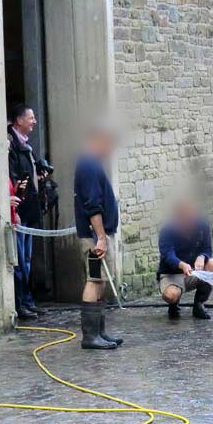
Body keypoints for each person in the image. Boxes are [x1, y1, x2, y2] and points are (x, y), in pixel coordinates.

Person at [73, 120, 124, 350]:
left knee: (100, 280)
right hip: (95, 238)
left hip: (100, 236)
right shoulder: (89, 165)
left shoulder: (91, 164)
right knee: (94, 280)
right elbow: (92, 206)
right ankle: (90, 336)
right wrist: (101, 237)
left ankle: (100, 332)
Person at [157, 195, 213, 320]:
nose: (190, 220)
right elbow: (168, 255)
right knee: (171, 295)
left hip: (194, 273)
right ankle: (173, 304)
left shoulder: (202, 225)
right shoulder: (167, 230)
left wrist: (202, 257)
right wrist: (181, 264)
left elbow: (207, 249)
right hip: (172, 274)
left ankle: (199, 304)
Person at [7, 104, 43, 320]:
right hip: (19, 211)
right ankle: (20, 304)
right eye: (31, 118)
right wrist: (15, 209)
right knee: (20, 260)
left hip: (28, 210)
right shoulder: (12, 146)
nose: (34, 121)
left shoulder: (26, 146)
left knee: (27, 258)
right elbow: (12, 179)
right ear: (19, 120)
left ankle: (28, 300)